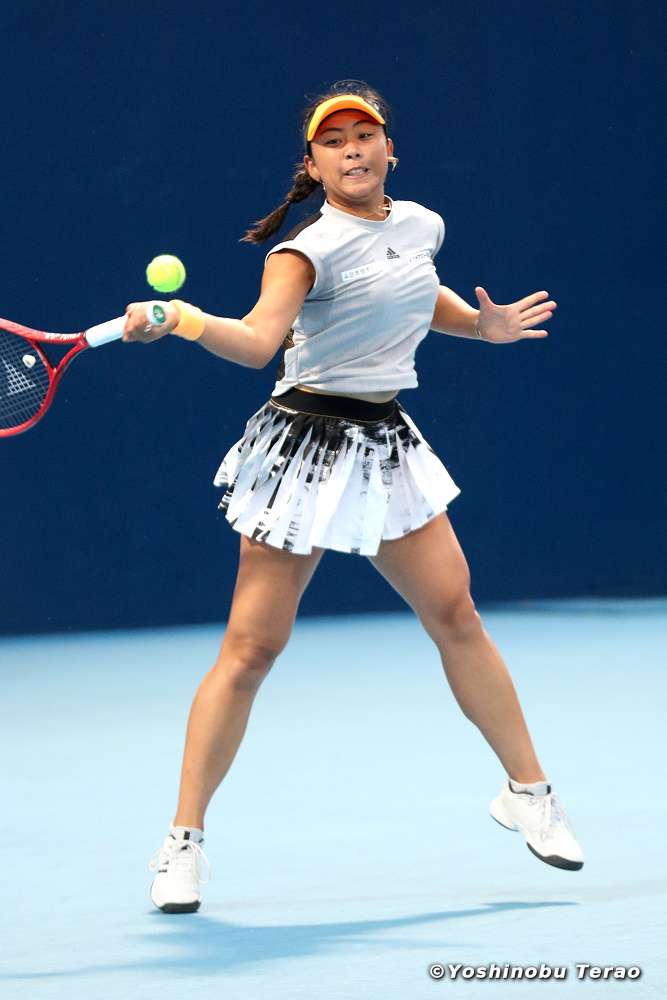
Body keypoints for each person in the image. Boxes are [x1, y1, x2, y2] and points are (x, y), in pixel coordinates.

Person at [124, 81, 583, 914]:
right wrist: (185, 319)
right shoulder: (302, 252)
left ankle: (528, 793)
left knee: (456, 614)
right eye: (332, 142)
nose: (351, 150)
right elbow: (257, 342)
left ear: (388, 151)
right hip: (302, 446)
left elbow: (413, 292)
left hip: (382, 441)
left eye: (363, 135)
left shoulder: (421, 225)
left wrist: (477, 324)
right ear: (313, 165)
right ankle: (182, 842)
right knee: (251, 650)